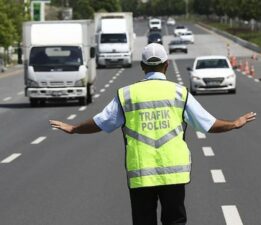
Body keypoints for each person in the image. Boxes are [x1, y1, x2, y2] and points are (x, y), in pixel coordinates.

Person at [49, 43, 256, 225]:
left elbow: (102, 122)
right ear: (166, 65)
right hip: (174, 173)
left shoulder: (127, 94)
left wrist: (74, 128)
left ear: (142, 67)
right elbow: (208, 124)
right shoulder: (179, 93)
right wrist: (234, 123)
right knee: (175, 221)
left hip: (141, 174)